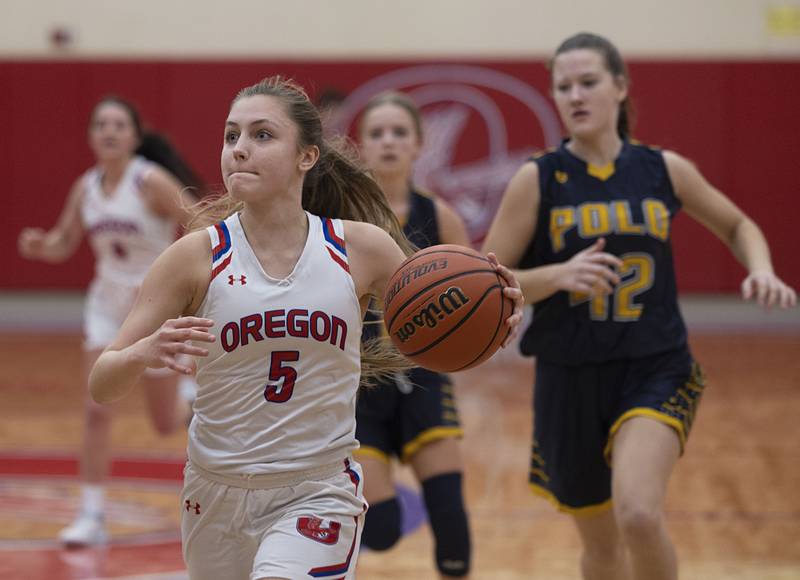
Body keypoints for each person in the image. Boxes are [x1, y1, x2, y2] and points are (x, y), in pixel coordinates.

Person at [86, 76, 524, 580]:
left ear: (307, 157)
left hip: (318, 489)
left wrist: (495, 317)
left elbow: (442, 319)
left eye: (262, 136)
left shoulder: (361, 248)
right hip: (214, 492)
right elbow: (103, 382)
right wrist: (142, 353)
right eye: (232, 136)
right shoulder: (194, 257)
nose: (240, 150)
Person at [481, 32, 796, 580]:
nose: (575, 95)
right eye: (563, 87)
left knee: (640, 515)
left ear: (620, 88)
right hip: (569, 376)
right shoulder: (539, 179)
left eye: (588, 82)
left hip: (655, 366)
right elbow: (487, 284)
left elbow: (737, 223)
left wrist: (761, 267)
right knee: (601, 548)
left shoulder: (663, 169)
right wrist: (557, 274)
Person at [17, 96, 202, 547]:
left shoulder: (150, 180)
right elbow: (65, 242)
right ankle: (92, 514)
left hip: (154, 305)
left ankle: (191, 399)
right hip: (106, 305)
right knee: (97, 407)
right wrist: (42, 246)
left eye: (119, 124)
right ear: (91, 135)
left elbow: (200, 221)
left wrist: (185, 282)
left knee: (162, 423)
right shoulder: (86, 187)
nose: (110, 131)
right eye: (101, 124)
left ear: (135, 136)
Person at [355, 91, 474, 578]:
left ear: (419, 145)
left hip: (425, 380)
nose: (388, 142)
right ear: (360, 146)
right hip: (361, 384)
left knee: (452, 525)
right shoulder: (342, 216)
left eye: (399, 132)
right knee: (379, 528)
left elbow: (475, 293)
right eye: (377, 133)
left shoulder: (440, 216)